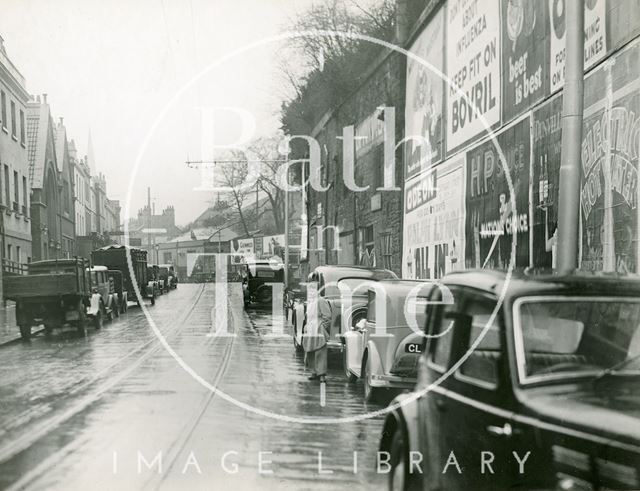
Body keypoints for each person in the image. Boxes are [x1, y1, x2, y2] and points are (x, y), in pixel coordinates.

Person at [303, 290, 331, 383]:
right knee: (310, 350)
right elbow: (308, 316)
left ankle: (322, 374)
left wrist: (322, 327)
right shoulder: (310, 302)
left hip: (318, 328)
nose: (311, 292)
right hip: (310, 328)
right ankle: (314, 372)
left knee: (320, 351)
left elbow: (327, 316)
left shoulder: (321, 300)